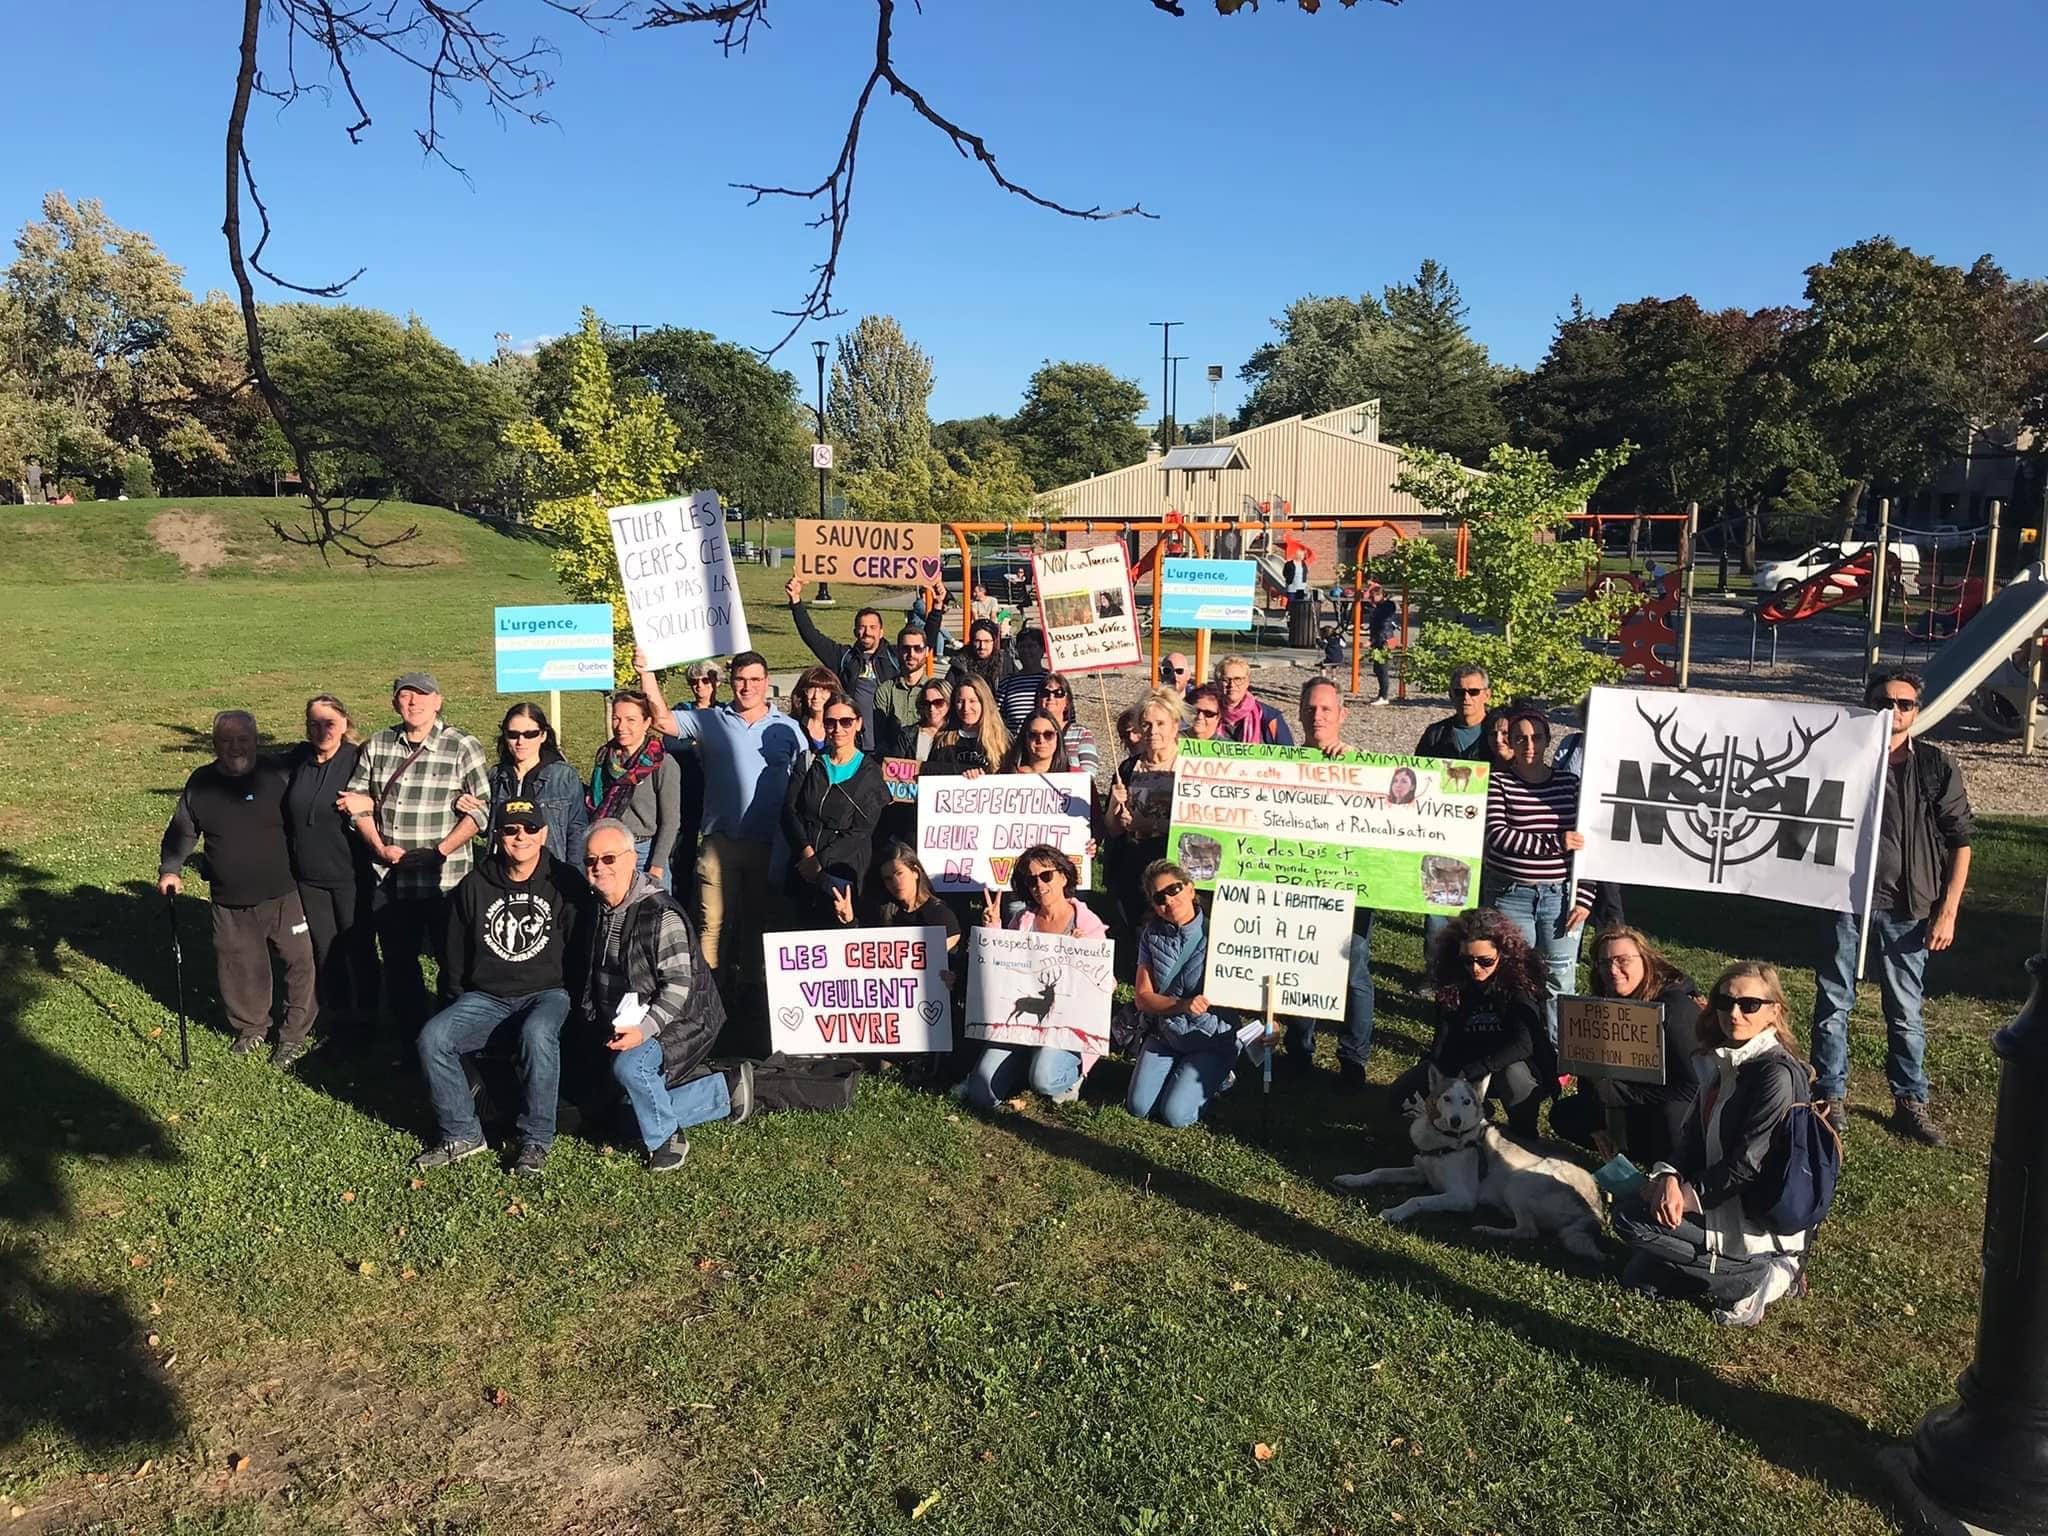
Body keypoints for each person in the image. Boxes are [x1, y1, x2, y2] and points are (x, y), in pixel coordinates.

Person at [1811, 669, 1973, 1146]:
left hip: (1909, 906)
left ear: (1917, 711)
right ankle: (1830, 1095)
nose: (1895, 711)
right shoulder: (1842, 759)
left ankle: (1910, 1101)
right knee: (1833, 1002)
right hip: (1844, 902)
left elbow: (1961, 841)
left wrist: (1948, 910)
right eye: (1885, 702)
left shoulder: (1934, 766)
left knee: (1905, 1009)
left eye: (1904, 704)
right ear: (1869, 706)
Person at [1613, 961, 1812, 1328]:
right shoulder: (1720, 1061)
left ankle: (1755, 1277)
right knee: (1638, 1278)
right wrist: (1669, 1176)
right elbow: (1690, 1138)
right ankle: (1713, 1269)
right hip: (1716, 1195)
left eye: (1749, 1004)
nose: (1734, 1013)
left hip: (1753, 1213)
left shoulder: (1774, 1074)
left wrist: (1685, 1197)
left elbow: (1747, 1167)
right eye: (1724, 1002)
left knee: (1630, 1218)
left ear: (1774, 1011)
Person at [413, 799, 592, 1176]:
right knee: (433, 1038)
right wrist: (457, 1002)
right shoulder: (475, 885)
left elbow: (580, 950)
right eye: (511, 829)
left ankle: (536, 1140)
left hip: (548, 992)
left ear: (543, 833)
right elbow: (455, 955)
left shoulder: (565, 882)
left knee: (538, 1032)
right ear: (497, 836)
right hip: (487, 997)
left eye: (529, 828)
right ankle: (462, 1133)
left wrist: (573, 1002)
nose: (520, 836)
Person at [582, 819, 749, 1171]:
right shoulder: (598, 907)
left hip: (683, 1019)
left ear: (632, 860)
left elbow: (678, 987)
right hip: (624, 1018)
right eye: (591, 860)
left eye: (609, 858)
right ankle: (723, 1092)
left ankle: (667, 1137)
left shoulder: (661, 913)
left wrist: (641, 1032)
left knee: (631, 1067)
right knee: (612, 1117)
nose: (599, 867)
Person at [159, 710, 319, 1065]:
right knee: (240, 966)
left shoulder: (279, 772)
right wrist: (170, 869)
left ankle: (294, 1035)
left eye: (243, 739)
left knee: (301, 961)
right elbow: (183, 830)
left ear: (256, 741)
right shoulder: (201, 782)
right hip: (229, 898)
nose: (236, 747)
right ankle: (252, 1028)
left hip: (286, 892)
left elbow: (317, 755)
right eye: (226, 741)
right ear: (215, 744)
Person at [638, 649, 805, 979]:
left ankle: (753, 992)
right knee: (711, 923)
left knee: (757, 923)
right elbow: (661, 720)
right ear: (730, 683)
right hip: (720, 842)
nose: (747, 687)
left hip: (769, 844)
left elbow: (805, 782)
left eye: (755, 680)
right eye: (741, 680)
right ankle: (710, 992)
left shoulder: (787, 729)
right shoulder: (710, 720)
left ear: (766, 682)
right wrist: (646, 672)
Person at [340, 673, 489, 1035]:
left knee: (453, 966)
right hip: (391, 881)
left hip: (446, 881)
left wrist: (439, 852)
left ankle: (454, 1039)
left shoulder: (462, 746)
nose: (413, 702)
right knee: (399, 965)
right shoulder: (378, 746)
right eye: (405, 696)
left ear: (438, 701)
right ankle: (411, 1041)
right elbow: (355, 805)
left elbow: (482, 812)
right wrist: (378, 847)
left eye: (422, 695)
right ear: (395, 703)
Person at [1276, 678, 1376, 1090]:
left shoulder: (1362, 762)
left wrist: (1355, 762)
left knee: (1353, 973)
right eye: (1310, 709)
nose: (1317, 716)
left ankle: (1353, 1058)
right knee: (1300, 966)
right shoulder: (1281, 764)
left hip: (1352, 885)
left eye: (1326, 710)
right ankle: (1300, 1048)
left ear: (1341, 715)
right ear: (1299, 713)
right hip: (1299, 882)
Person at [961, 845, 1109, 1108]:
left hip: (1065, 1028)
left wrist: (1084, 955)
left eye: (1046, 876)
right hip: (1021, 1029)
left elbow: (1107, 986)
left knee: (1044, 1080)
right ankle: (1022, 1065)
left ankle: (1070, 1076)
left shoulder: (1088, 925)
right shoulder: (1022, 920)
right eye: (1031, 880)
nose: (1038, 885)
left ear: (1064, 876)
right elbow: (1001, 970)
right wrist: (993, 929)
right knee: (981, 1092)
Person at [1548, 926, 1703, 1166]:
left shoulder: (1676, 1008)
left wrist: (1620, 1093)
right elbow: (1590, 1074)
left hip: (1673, 1109)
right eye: (1603, 962)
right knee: (1566, 1114)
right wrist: (1596, 1126)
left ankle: (1672, 1172)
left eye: (1623, 960)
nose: (1612, 970)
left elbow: (1695, 1089)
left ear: (1646, 960)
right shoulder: (1600, 1008)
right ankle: (1626, 1155)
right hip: (1629, 1103)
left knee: (1671, 1113)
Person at [1389, 910, 1553, 1134]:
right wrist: (1437, 1078)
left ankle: (1523, 1130)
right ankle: (1461, 1119)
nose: (1475, 968)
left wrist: (1479, 1069)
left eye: (1485, 961)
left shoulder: (1518, 986)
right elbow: (1443, 1039)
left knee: (1514, 1077)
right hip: (1464, 1062)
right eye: (1467, 960)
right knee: (1400, 1095)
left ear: (1503, 955)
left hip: (1508, 1062)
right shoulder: (1452, 984)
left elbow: (1524, 1044)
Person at [1484, 706, 1593, 1042]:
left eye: (1536, 737)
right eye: (1520, 738)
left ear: (1548, 741)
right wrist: (1553, 842)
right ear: (1510, 743)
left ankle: (1561, 1051)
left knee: (1560, 978)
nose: (1529, 745)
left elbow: (1589, 843)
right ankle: (1514, 1045)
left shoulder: (1570, 785)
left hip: (1561, 896)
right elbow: (1497, 836)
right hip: (1510, 894)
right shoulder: (1497, 782)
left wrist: (1586, 896)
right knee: (1511, 975)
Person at [284, 694, 377, 1048]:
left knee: (359, 947)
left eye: (329, 723)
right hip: (309, 877)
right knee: (325, 950)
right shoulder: (299, 761)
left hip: (351, 875)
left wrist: (370, 802)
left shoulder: (357, 760)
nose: (322, 730)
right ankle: (338, 1019)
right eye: (314, 723)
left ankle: (367, 1019)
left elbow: (382, 795)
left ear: (344, 723)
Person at [1127, 860, 1239, 1128]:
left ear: (1190, 888)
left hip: (1210, 1037)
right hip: (1166, 1032)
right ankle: (1181, 1072)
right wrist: (1183, 1005)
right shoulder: (1150, 935)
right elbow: (1143, 997)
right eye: (1159, 897)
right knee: (1139, 1107)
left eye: (1174, 889)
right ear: (1154, 905)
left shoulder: (1225, 932)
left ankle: (1223, 1074)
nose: (1168, 899)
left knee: (1175, 1116)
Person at [786, 575, 936, 751]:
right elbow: (812, 636)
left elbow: (924, 644)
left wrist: (938, 609)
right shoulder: (844, 658)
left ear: (881, 632)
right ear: (855, 631)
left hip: (889, 744)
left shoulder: (895, 656)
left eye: (872, 627)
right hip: (853, 745)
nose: (867, 632)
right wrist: (796, 601)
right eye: (862, 627)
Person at [782, 691, 888, 925]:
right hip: (803, 865)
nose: (838, 728)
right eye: (830, 722)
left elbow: (862, 831)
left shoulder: (871, 773)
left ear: (859, 724)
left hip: (843, 869)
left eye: (846, 722)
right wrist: (806, 853)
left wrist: (821, 862)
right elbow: (790, 809)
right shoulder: (809, 760)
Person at [458, 703, 588, 870]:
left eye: (530, 734)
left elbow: (577, 832)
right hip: (503, 872)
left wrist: (575, 879)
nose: (521, 741)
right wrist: (464, 804)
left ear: (543, 735)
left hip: (550, 875)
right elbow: (486, 828)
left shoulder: (563, 776)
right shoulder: (496, 776)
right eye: (513, 734)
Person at [1104, 688, 1185, 938]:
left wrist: (1150, 824)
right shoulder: (1128, 768)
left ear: (1175, 724)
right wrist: (1116, 808)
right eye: (1147, 724)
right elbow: (1112, 829)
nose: (1153, 731)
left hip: (1176, 860)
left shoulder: (1190, 764)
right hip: (1135, 862)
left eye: (1160, 723)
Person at [589, 691, 680, 892]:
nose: (621, 727)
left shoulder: (662, 764)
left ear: (647, 722)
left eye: (631, 720)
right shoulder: (605, 759)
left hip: (644, 854)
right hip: (608, 853)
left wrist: (656, 867)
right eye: (616, 719)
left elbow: (671, 821)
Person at [924, 674, 1011, 778]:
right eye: (960, 701)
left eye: (972, 701)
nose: (966, 708)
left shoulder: (1002, 739)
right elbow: (930, 775)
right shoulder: (943, 739)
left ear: (984, 702)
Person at [873, 622, 937, 755]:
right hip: (895, 762)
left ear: (927, 652)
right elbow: (880, 738)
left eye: (917, 648)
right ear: (898, 651)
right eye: (906, 648)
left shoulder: (937, 690)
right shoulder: (885, 690)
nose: (911, 654)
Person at [1413, 665, 1496, 761]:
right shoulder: (1436, 735)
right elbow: (1421, 771)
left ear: (1487, 695)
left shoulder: (1500, 733)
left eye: (1474, 692)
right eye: (1459, 692)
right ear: (1451, 695)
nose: (1466, 697)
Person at [1214, 655, 1295, 745]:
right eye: (1226, 680)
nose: (1232, 685)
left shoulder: (1269, 718)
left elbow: (1289, 754)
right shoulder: (1208, 714)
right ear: (1217, 683)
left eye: (1238, 679)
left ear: (1247, 682)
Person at [1034, 672, 1098, 776]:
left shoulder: (1081, 733)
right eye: (1045, 693)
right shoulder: (1030, 733)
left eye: (1058, 693)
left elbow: (1089, 773)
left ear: (1067, 701)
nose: (1051, 697)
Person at [997, 627, 1051, 730]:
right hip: (1015, 744)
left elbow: (1068, 717)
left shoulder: (1052, 680)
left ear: (1043, 649)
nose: (1026, 651)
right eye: (1022, 647)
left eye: (1031, 646)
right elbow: (996, 719)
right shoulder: (1007, 683)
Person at [787, 664, 842, 757]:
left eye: (823, 690)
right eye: (811, 689)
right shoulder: (792, 725)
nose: (816, 696)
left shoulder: (842, 726)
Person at [998, 709, 1073, 776]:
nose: (1041, 740)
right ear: (1025, 738)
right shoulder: (1006, 776)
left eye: (1048, 734)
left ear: (1058, 736)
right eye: (1033, 735)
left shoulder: (1075, 775)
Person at [949, 617, 1014, 692]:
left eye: (987, 641)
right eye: (977, 641)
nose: (982, 646)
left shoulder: (1004, 661)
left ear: (994, 642)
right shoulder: (960, 662)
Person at [1363, 581, 1400, 705]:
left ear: (1381, 595)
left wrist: (1371, 641)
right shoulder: (1380, 607)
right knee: (1378, 669)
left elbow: (1383, 627)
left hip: (1385, 640)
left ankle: (1384, 696)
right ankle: (1381, 695)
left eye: (1374, 597)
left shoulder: (1386, 607)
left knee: (1382, 669)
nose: (1371, 600)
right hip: (1382, 639)